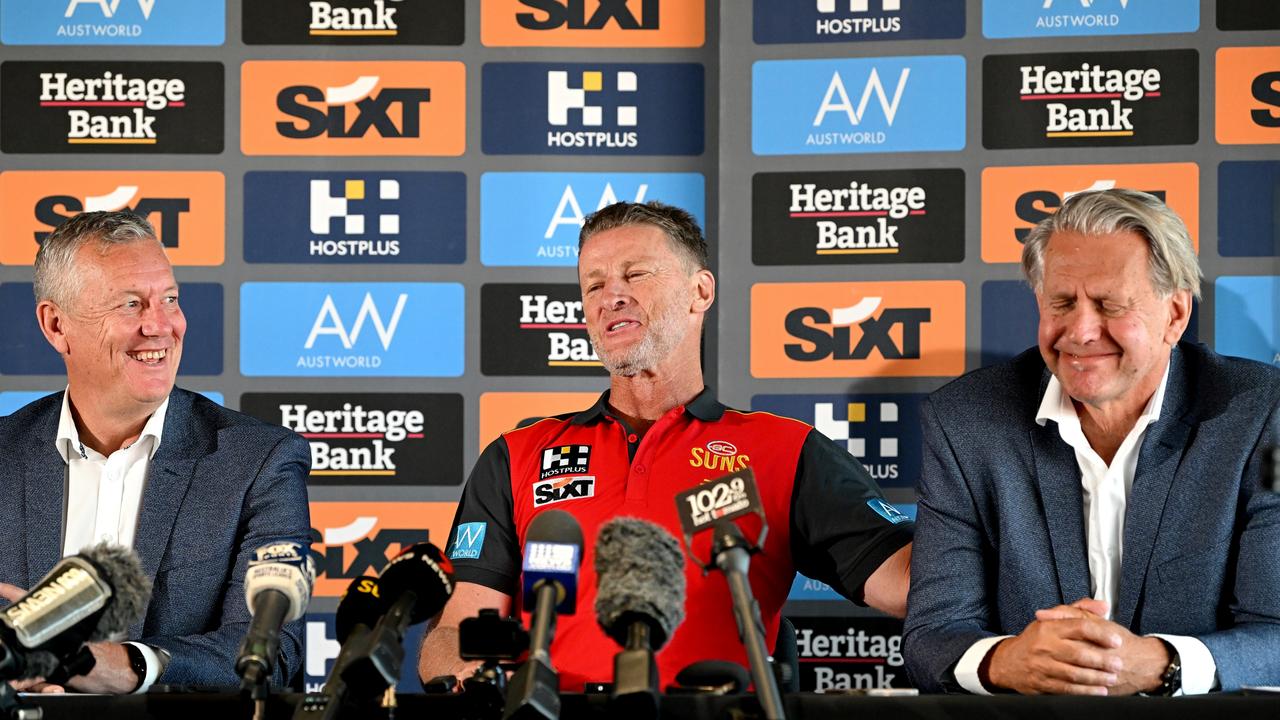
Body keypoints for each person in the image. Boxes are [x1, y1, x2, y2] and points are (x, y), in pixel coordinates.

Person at [419, 201, 913, 690]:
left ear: (700, 291)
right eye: (594, 285)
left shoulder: (784, 449)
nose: (611, 296)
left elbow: (909, 585)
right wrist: (464, 676)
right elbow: (455, 628)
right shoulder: (516, 455)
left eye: (635, 275)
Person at [903, 189, 1280, 695]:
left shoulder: (1261, 414)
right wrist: (1006, 660)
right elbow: (933, 636)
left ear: (1175, 315)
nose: (1080, 331)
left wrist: (1162, 665)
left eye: (1109, 305)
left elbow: (1274, 632)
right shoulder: (966, 421)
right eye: (1062, 302)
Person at [0, 211, 311, 693]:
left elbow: (270, 651)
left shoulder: (257, 462)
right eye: (131, 304)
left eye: (169, 299)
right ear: (57, 325)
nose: (161, 326)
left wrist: (125, 665)